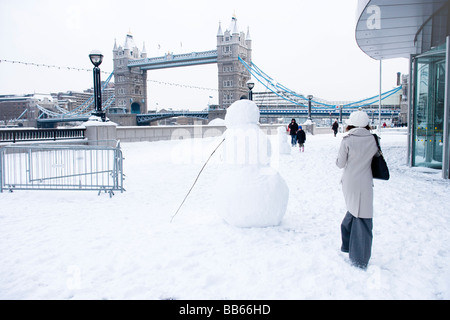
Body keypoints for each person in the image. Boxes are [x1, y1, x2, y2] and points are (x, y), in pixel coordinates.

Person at [336, 108, 378, 269]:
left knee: (354, 211)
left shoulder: (347, 140)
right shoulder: (373, 140)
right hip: (366, 181)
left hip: (350, 182)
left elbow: (340, 163)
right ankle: (359, 257)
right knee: (363, 217)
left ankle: (348, 245)